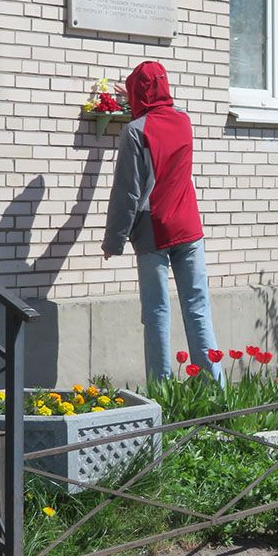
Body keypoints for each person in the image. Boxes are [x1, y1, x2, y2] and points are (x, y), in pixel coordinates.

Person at [102, 61, 225, 386]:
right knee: (198, 308)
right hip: (189, 228)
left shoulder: (134, 132)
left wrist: (113, 241)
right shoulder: (184, 121)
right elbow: (161, 110)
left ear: (136, 93)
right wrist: (133, 99)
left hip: (152, 232)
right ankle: (216, 390)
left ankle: (162, 391)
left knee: (157, 313)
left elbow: (127, 193)